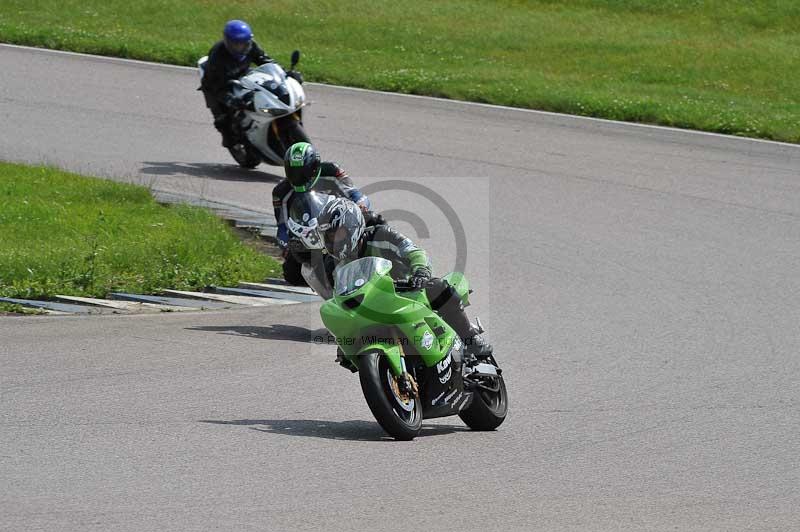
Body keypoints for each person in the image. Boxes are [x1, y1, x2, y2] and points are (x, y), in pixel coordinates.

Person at [316, 197, 493, 360]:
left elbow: (413, 251)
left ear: (352, 226)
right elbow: (339, 297)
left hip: (407, 292)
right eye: (328, 237)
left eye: (336, 234)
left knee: (440, 287)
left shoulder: (381, 235)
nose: (333, 241)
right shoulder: (334, 265)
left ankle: (471, 339)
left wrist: (420, 271)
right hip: (371, 309)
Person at [273, 142, 373, 285]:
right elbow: (282, 227)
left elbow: (356, 195)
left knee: (373, 222)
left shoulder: (333, 172)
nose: (298, 177)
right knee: (291, 274)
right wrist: (287, 245)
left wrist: (361, 206)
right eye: (293, 172)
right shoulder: (280, 192)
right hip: (308, 238)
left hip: (340, 228)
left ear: (314, 167)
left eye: (303, 172)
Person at [201, 20, 291, 148]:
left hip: (242, 75)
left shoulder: (251, 46)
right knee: (223, 120)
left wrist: (285, 73)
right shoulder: (217, 56)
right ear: (227, 42)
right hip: (215, 85)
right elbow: (217, 87)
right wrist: (231, 100)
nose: (241, 47)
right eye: (236, 45)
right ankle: (231, 141)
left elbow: (266, 61)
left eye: (244, 44)